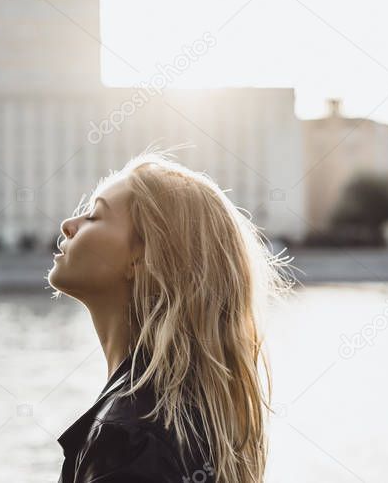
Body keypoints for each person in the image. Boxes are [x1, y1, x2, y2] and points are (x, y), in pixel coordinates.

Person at [48, 148, 293, 483]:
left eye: (94, 216)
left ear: (143, 257)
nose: (68, 225)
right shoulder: (184, 415)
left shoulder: (129, 439)